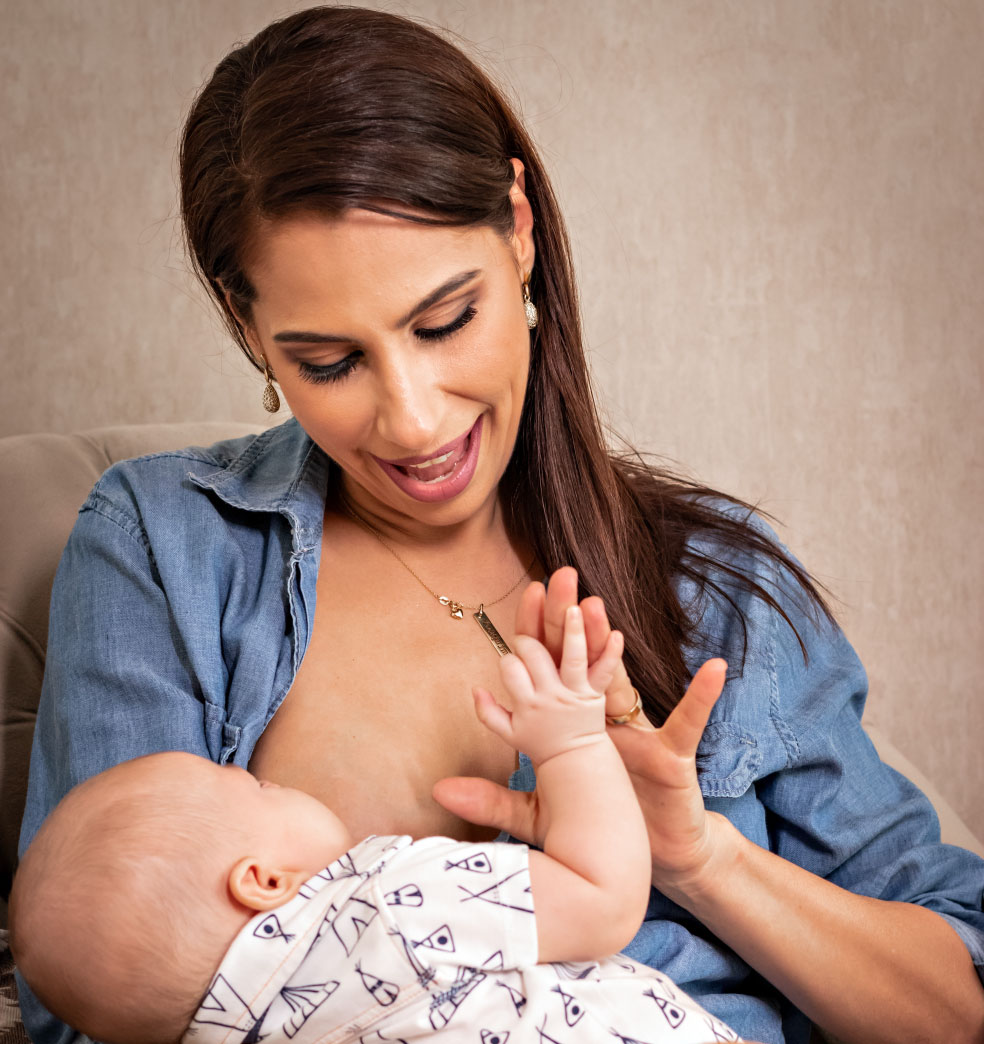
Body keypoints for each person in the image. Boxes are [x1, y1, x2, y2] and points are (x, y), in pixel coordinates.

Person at [15, 6, 984, 1043]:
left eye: (445, 321)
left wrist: (703, 861)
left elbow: (952, 1006)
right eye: (329, 362)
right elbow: (93, 1002)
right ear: (246, 322)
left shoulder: (715, 588)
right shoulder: (166, 547)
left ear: (519, 229)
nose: (414, 419)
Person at [10, 609, 744, 1044]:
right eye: (254, 784)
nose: (271, 781)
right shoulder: (386, 911)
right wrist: (572, 744)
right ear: (262, 881)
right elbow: (605, 897)